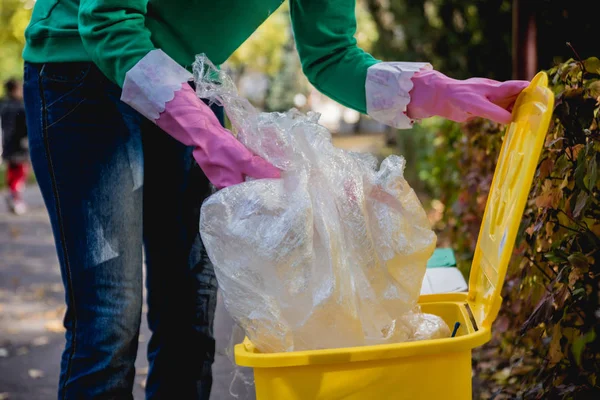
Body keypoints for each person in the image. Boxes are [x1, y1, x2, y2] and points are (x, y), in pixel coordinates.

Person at [21, 0, 529, 398]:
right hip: (80, 70)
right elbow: (108, 20)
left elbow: (331, 54)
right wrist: (208, 135)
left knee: (188, 318)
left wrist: (434, 90)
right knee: (109, 316)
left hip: (184, 82)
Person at [1, 79, 29, 215]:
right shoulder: (20, 107)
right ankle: (16, 199)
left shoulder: (3, 105)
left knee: (12, 172)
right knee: (19, 174)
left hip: (6, 144)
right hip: (19, 146)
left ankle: (13, 196)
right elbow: (24, 128)